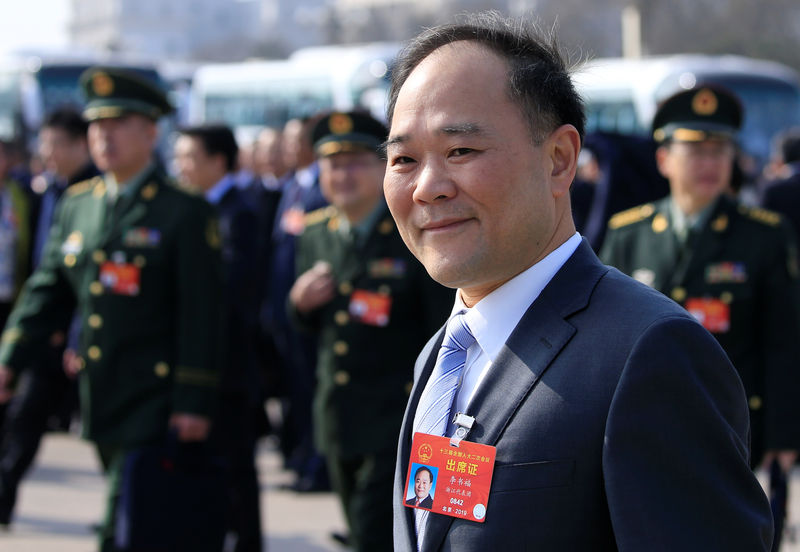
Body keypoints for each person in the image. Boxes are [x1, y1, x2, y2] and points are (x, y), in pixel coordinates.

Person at [382, 14, 773, 551]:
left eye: (461, 151)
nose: (427, 187)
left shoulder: (648, 353)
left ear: (560, 160)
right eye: (403, 158)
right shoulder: (446, 354)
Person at [0, 67, 222, 551]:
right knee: (137, 517)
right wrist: (10, 356)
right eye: (96, 125)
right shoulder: (79, 204)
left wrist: (193, 401)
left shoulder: (183, 210)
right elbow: (48, 290)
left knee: (126, 525)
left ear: (150, 130)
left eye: (118, 123)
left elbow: (201, 314)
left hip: (156, 396)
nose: (104, 135)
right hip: (101, 392)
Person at [600, 84, 800, 550]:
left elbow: (785, 340)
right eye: (695, 150)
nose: (709, 163)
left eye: (720, 150)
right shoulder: (628, 233)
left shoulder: (764, 236)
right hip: (642, 424)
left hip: (733, 426)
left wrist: (787, 433)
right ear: (664, 159)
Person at [288, 111, 451, 551]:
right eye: (332, 164)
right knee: (360, 525)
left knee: (377, 531)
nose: (343, 175)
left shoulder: (409, 230)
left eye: (356, 161)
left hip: (397, 416)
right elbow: (311, 329)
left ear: (382, 166)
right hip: (339, 412)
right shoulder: (316, 232)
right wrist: (299, 305)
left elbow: (442, 325)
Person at [0, 106, 99, 526]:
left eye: (55, 144)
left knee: (100, 422)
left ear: (81, 144)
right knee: (26, 416)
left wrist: (71, 334)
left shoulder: (94, 194)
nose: (47, 153)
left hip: (78, 333)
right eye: (44, 145)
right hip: (46, 325)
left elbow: (91, 278)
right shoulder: (50, 191)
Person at [174, 124, 263, 551]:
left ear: (218, 161)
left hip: (229, 364)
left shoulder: (237, 213)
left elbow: (232, 294)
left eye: (189, 158)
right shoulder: (195, 209)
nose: (181, 167)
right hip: (204, 362)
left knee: (235, 468)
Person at [262, 115, 328, 491]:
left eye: (294, 139)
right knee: (294, 388)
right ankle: (302, 456)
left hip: (312, 311)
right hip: (287, 309)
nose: (288, 148)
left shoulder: (323, 185)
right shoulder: (293, 185)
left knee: (310, 389)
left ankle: (316, 465)